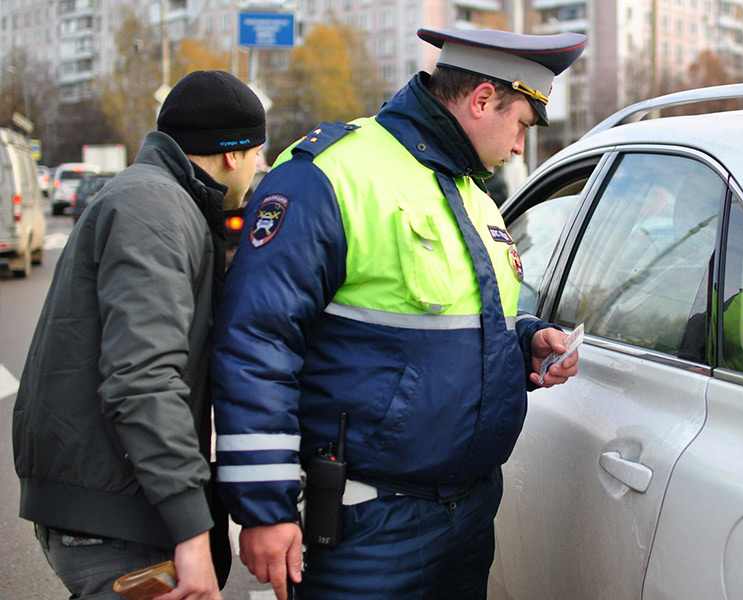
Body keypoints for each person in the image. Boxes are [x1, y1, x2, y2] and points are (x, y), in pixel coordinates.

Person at [211, 28, 586, 599]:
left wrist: (525, 343)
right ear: (482, 99)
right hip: (369, 525)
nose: (518, 148)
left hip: (467, 513)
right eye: (521, 127)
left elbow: (448, 328)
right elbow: (257, 341)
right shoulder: (331, 174)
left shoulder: (473, 195)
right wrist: (265, 507)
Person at [12, 70, 266, 600]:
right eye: (258, 155)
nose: (259, 169)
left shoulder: (152, 196)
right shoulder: (156, 207)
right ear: (231, 155)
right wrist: (192, 530)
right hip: (117, 518)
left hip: (110, 501)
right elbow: (143, 376)